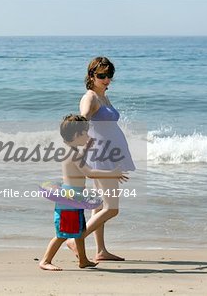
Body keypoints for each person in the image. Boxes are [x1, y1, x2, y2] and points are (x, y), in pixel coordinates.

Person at [66, 57, 135, 261]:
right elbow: (82, 121)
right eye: (101, 76)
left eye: (109, 75)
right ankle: (75, 239)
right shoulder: (90, 98)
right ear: (91, 76)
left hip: (109, 154)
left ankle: (101, 250)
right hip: (101, 155)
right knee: (111, 208)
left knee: (98, 205)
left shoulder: (102, 97)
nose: (106, 79)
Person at [39, 114, 128, 271]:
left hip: (75, 198)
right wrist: (112, 173)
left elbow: (80, 165)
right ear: (76, 135)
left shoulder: (70, 151)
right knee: (62, 233)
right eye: (85, 133)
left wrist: (86, 148)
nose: (88, 136)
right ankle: (45, 261)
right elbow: (90, 172)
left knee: (80, 231)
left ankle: (83, 260)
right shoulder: (74, 154)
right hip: (69, 200)